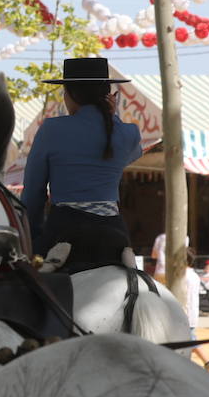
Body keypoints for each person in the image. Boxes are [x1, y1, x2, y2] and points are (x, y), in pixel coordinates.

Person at [22, 57, 143, 256]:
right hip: (115, 231)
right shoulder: (129, 133)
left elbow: (33, 193)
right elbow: (130, 155)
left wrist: (34, 236)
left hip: (64, 229)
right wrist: (112, 116)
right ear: (108, 95)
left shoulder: (52, 129)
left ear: (69, 94)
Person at [181, 253, 209, 374]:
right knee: (188, 339)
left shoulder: (183, 276)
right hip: (191, 312)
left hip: (185, 312)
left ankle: (207, 362)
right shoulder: (194, 275)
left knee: (190, 340)